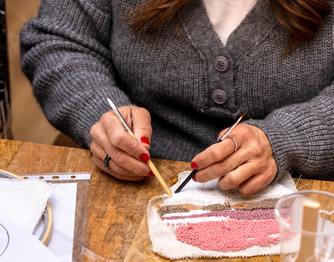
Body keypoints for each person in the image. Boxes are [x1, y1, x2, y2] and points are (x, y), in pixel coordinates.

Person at [20, 0, 333, 196]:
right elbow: (59, 40)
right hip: (131, 181)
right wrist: (96, 108)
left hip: (306, 195)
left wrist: (290, 138)